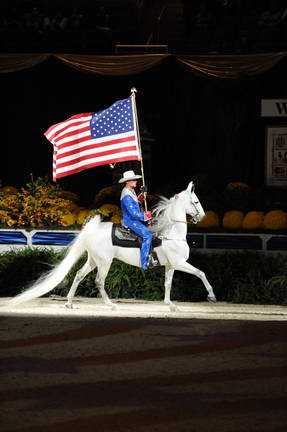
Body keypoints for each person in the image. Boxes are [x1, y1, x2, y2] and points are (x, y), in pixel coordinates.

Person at [118, 170, 153, 269]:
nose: (136, 181)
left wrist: (142, 194)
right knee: (148, 235)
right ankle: (144, 263)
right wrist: (146, 215)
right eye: (133, 180)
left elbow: (136, 203)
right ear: (127, 181)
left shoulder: (131, 191)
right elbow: (133, 213)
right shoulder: (126, 195)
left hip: (134, 218)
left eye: (135, 179)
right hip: (130, 220)